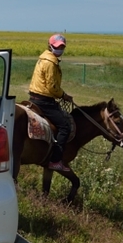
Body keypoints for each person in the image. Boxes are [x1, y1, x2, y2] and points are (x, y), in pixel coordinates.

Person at [28, 34, 73, 172]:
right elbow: (52, 87)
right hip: (44, 101)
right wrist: (64, 95)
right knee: (65, 126)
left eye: (62, 47)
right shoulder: (50, 62)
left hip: (34, 97)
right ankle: (55, 160)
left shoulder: (44, 58)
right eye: (57, 46)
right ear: (50, 45)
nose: (59, 49)